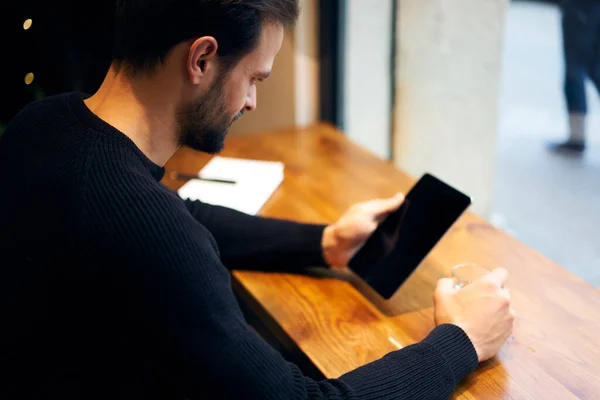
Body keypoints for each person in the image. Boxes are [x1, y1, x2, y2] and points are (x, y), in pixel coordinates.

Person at [0, 1, 515, 398]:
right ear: (201, 58)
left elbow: (177, 215)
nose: (250, 101)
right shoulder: (146, 231)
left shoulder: (44, 124)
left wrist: (326, 242)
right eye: (254, 78)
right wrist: (461, 340)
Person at [550, 0, 600, 153]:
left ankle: (576, 137)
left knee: (575, 68)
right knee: (594, 68)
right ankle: (576, 135)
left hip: (582, 6)